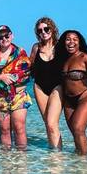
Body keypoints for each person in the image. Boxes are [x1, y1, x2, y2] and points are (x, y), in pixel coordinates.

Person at [0, 25, 31, 149]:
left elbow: (26, 72)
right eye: (0, 37)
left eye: (6, 35)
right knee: (4, 129)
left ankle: (21, 159)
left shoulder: (20, 52)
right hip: (0, 97)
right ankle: (6, 161)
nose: (4, 38)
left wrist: (6, 77)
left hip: (19, 95)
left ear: (12, 35)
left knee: (19, 127)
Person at [55, 30, 87, 155]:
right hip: (69, 101)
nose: (71, 42)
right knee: (74, 132)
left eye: (75, 39)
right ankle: (77, 162)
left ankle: (84, 165)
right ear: (64, 42)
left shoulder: (84, 57)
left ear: (79, 42)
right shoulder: (63, 59)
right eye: (68, 39)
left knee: (78, 129)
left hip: (85, 97)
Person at [29, 17, 63, 148]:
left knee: (51, 123)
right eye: (40, 30)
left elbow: (75, 61)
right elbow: (28, 66)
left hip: (57, 86)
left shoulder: (61, 46)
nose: (43, 32)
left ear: (52, 29)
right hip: (39, 87)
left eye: (46, 29)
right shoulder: (36, 48)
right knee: (48, 124)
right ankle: (53, 155)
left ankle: (57, 157)